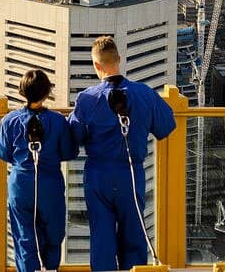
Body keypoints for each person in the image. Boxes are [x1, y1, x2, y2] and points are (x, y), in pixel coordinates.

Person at [68, 35, 176, 271]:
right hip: (131, 173)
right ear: (119, 59)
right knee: (134, 238)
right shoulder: (144, 94)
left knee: (102, 239)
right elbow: (166, 126)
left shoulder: (86, 99)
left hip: (98, 175)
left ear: (97, 66)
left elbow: (73, 138)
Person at [0, 69, 77, 272]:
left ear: (22, 91)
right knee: (53, 234)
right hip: (50, 185)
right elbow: (68, 152)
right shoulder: (59, 121)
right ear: (46, 92)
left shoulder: (9, 121)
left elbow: (3, 153)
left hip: (21, 184)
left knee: (24, 237)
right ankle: (50, 268)